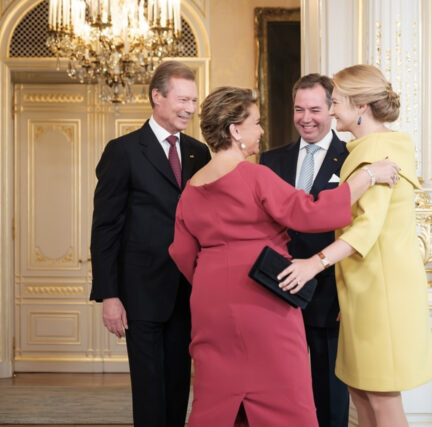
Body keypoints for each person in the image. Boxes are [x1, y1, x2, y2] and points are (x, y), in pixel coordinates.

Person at [168, 86, 400, 426]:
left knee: (217, 392)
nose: (262, 131)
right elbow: (311, 213)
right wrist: (368, 176)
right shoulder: (254, 176)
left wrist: (212, 279)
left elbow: (182, 251)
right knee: (283, 392)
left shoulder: (191, 188)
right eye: (256, 123)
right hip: (263, 295)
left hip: (210, 301)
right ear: (235, 131)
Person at [278, 64, 432, 427]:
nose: (331, 110)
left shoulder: (378, 149)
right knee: (362, 395)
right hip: (363, 289)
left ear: (361, 105)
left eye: (336, 102)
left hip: (381, 292)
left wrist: (312, 264)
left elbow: (366, 228)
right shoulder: (370, 148)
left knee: (381, 400)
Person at [90, 61, 211, 427]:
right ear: (157, 96)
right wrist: (109, 295)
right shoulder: (123, 151)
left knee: (178, 386)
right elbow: (105, 228)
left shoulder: (199, 152)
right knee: (148, 389)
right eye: (183, 100)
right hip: (140, 293)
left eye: (194, 100)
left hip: (187, 291)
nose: (190, 108)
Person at [259, 73, 349, 427]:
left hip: (329, 293)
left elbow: (358, 231)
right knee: (280, 391)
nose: (306, 118)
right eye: (299, 109)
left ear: (331, 109)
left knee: (329, 395)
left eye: (314, 109)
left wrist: (346, 296)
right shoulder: (270, 161)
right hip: (279, 290)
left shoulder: (350, 159)